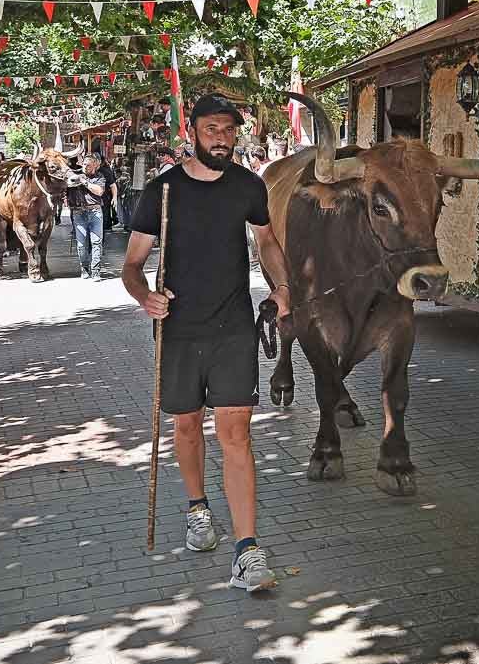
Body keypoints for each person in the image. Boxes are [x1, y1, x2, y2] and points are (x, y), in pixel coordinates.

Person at [122, 94, 292, 594]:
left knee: (237, 433)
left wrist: (281, 286)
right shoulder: (162, 192)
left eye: (228, 129)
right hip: (177, 327)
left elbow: (265, 243)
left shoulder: (248, 186)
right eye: (211, 128)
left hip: (234, 326)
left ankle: (247, 549)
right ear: (191, 132)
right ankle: (198, 508)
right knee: (188, 426)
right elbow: (131, 265)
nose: (221, 136)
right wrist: (144, 297)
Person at [69, 154, 108, 280]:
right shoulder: (74, 175)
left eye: (88, 165)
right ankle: (84, 268)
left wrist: (84, 182)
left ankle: (96, 271)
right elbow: (65, 187)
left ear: (95, 166)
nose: (85, 167)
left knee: (96, 242)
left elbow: (99, 191)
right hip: (79, 213)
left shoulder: (100, 176)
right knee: (81, 244)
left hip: (95, 211)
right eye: (84, 164)